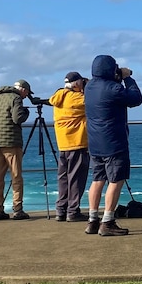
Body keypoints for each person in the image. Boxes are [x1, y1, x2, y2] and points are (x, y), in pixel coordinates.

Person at [84, 55, 142, 236]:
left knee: (97, 180)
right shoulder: (113, 88)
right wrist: (127, 77)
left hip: (94, 142)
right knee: (116, 180)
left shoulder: (89, 87)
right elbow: (136, 99)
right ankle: (107, 221)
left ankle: (92, 220)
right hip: (114, 142)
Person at [0, 79, 32, 221]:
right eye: (27, 93)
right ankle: (18, 209)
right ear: (23, 89)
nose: (26, 96)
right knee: (16, 176)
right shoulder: (16, 98)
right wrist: (26, 113)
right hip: (11, 142)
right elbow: (18, 118)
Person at [47, 71, 89, 223]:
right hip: (77, 142)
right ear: (77, 84)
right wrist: (87, 86)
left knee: (63, 178)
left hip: (63, 144)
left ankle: (61, 210)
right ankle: (73, 211)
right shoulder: (78, 98)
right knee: (77, 178)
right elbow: (93, 101)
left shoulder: (58, 98)